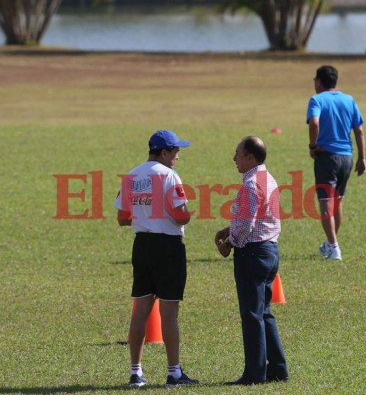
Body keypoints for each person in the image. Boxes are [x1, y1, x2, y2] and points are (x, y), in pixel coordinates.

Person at [113, 130, 199, 389]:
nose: (177, 157)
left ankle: (135, 372)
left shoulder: (131, 175)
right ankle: (173, 373)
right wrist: (186, 215)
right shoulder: (169, 176)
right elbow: (180, 216)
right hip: (168, 246)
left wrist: (145, 217)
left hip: (142, 245)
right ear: (163, 152)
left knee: (140, 311)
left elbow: (121, 218)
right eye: (175, 152)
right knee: (169, 312)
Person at [215, 136, 288, 386]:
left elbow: (247, 223)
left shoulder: (250, 184)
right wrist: (230, 228)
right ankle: (278, 368)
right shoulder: (268, 179)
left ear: (250, 157)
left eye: (237, 154)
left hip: (253, 254)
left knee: (252, 315)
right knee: (264, 313)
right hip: (270, 250)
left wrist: (230, 243)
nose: (234, 158)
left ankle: (254, 374)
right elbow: (260, 217)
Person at [306, 65, 366, 261]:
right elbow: (359, 130)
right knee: (337, 202)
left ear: (319, 82)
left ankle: (333, 247)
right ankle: (330, 243)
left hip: (327, 158)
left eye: (315, 80)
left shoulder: (316, 100)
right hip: (347, 158)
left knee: (325, 203)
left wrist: (313, 146)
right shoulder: (349, 100)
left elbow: (314, 123)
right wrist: (362, 157)